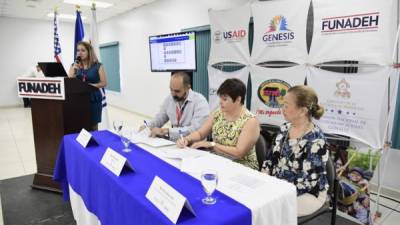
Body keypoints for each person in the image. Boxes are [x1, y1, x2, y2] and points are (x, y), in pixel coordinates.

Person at [262, 85, 329, 217]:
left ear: (303, 110)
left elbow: (307, 183)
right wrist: (264, 179)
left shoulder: (317, 141)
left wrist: (274, 191)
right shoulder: (284, 128)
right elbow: (270, 159)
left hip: (307, 193)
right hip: (278, 185)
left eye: (286, 105)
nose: (282, 109)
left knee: (269, 210)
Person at [177, 78, 260, 170]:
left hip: (242, 167)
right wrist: (187, 139)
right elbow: (200, 133)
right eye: (220, 98)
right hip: (219, 161)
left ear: (238, 99)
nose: (220, 102)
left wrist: (212, 145)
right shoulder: (218, 113)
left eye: (225, 99)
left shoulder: (250, 121)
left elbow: (239, 152)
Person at [139, 71, 209, 141]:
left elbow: (194, 129)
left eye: (177, 91)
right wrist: (148, 126)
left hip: (194, 145)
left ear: (188, 87)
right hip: (175, 143)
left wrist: (167, 131)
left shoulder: (200, 101)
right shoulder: (170, 99)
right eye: (171, 90)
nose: (173, 94)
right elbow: (159, 118)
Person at [68, 41, 107, 131]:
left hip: (93, 99)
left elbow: (104, 83)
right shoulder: (74, 65)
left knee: (93, 125)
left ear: (89, 52)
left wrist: (90, 85)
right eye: (78, 50)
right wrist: (73, 70)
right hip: (78, 99)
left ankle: (94, 143)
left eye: (83, 50)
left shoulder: (98, 66)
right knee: (80, 124)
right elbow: (69, 82)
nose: (80, 53)